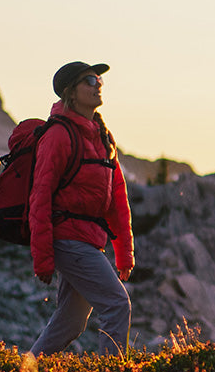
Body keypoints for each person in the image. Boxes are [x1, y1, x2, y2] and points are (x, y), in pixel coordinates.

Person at [29, 61, 135, 356]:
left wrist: (124, 251)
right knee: (116, 304)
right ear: (70, 93)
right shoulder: (58, 135)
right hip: (68, 239)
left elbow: (117, 197)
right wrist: (43, 258)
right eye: (89, 80)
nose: (97, 84)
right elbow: (40, 197)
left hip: (89, 240)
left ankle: (26, 371)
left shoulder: (101, 135)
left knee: (71, 321)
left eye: (99, 79)